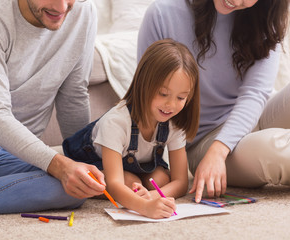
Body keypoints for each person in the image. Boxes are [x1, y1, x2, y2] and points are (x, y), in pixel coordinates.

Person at [138, 0, 290, 203]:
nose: (237, 1)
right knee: (272, 147)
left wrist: (219, 151)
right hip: (205, 141)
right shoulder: (162, 14)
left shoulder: (266, 12)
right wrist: (216, 151)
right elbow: (147, 94)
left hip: (259, 114)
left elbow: (255, 93)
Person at [0, 0, 106, 229]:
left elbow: (73, 95)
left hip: (15, 147)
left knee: (76, 189)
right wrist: (59, 165)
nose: (61, 7)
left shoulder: (83, 13)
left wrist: (84, 166)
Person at [62, 39, 200, 219]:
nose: (171, 105)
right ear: (144, 84)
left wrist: (152, 196)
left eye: (181, 98)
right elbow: (114, 184)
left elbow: (181, 181)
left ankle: (140, 186)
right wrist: (144, 206)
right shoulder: (116, 122)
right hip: (96, 162)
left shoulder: (175, 121)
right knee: (129, 183)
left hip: (136, 166)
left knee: (160, 180)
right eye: (163, 94)